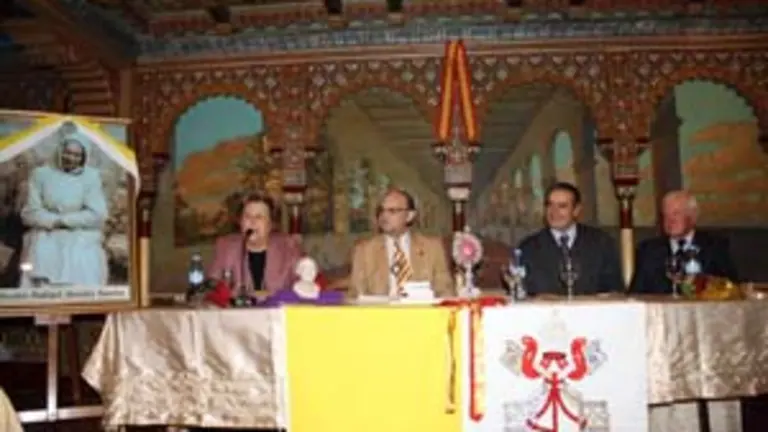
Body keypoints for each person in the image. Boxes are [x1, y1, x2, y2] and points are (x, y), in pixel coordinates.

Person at [20, 137, 109, 287]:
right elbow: (30, 212)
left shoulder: (91, 177)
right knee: (41, 249)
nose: (71, 158)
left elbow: (98, 214)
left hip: (79, 231)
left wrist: (65, 221)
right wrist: (53, 221)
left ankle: (79, 299)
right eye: (67, 153)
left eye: (76, 155)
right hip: (46, 230)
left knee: (82, 254)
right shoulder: (40, 174)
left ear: (83, 158)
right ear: (59, 151)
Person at [516, 182, 624, 296]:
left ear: (576, 210)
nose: (554, 212)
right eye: (549, 205)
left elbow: (614, 289)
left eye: (562, 206)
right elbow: (521, 292)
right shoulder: (528, 248)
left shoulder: (602, 243)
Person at [350, 188, 455, 299]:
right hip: (380, 313)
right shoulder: (364, 250)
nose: (384, 216)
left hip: (420, 313)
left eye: (392, 211)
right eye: (381, 211)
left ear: (409, 216)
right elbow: (356, 295)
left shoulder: (432, 248)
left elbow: (445, 290)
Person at [630, 190, 738, 294]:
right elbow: (636, 295)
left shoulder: (715, 247)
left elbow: (732, 289)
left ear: (693, 216)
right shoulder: (648, 250)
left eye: (676, 214)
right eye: (665, 215)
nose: (670, 221)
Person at [207, 192, 301, 295]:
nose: (252, 222)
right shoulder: (226, 247)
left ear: (270, 225)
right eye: (247, 216)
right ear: (240, 223)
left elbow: (304, 286)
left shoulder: (288, 247)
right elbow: (211, 289)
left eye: (259, 217)